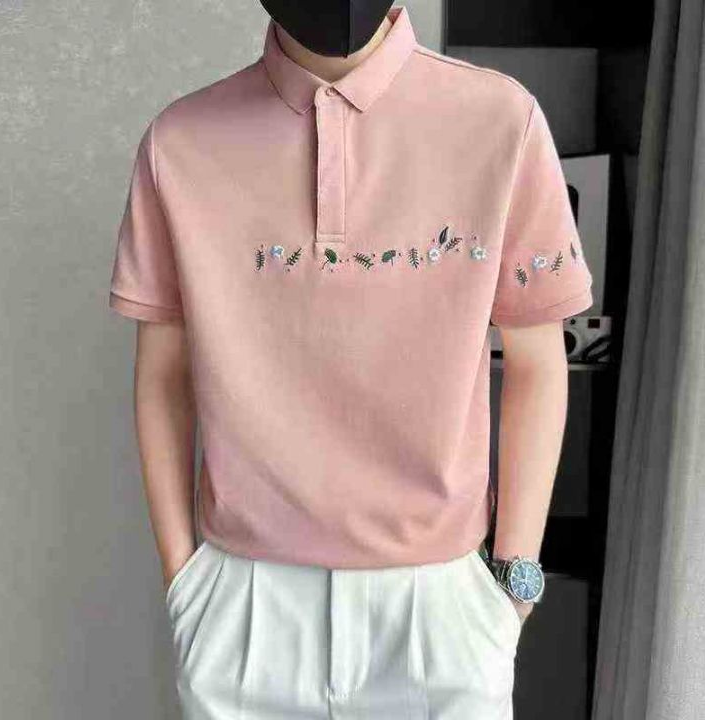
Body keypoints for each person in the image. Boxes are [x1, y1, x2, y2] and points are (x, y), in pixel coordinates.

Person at [108, 2, 594, 718]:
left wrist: (514, 580)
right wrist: (184, 580)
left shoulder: (501, 120)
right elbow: (161, 376)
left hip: (440, 604)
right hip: (247, 601)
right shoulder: (180, 142)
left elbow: (537, 360)